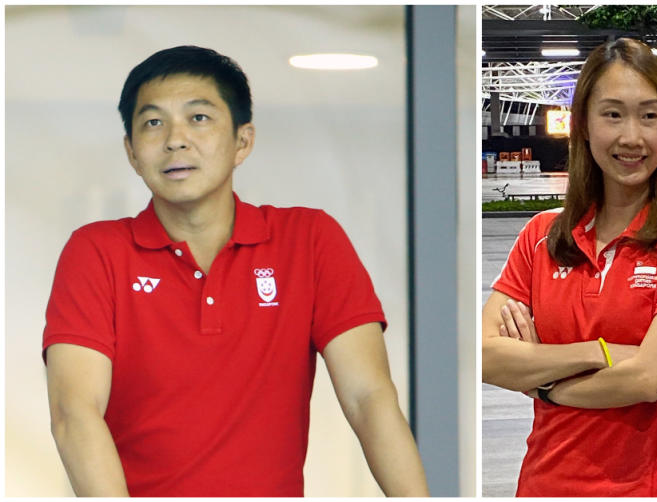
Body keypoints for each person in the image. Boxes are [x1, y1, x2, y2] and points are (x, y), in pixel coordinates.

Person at [42, 46, 428, 497]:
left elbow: (369, 399)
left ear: (242, 141)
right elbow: (75, 413)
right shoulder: (97, 251)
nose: (175, 139)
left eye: (199, 118)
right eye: (153, 122)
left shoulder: (310, 239)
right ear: (131, 151)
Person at [481, 38, 657, 496]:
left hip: (647, 487)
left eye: (649, 116)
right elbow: (484, 358)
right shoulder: (541, 235)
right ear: (584, 126)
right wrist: (600, 353)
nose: (631, 137)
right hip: (543, 484)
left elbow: (649, 378)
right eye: (613, 114)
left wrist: (543, 383)